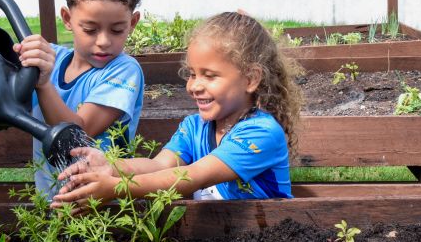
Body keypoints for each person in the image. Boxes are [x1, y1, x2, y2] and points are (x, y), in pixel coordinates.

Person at [51, 11, 303, 208]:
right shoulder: (194, 127)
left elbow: (193, 176)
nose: (194, 86)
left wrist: (117, 187)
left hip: (271, 237)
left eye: (210, 76)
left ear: (250, 79)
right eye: (192, 74)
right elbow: (160, 165)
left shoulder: (261, 131)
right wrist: (111, 166)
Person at [0, 0, 145, 198]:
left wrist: (43, 85)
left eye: (117, 30)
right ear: (67, 19)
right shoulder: (51, 58)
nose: (104, 41)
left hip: (102, 208)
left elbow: (78, 134)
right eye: (90, 29)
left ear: (132, 22)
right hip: (50, 201)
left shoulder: (124, 70)